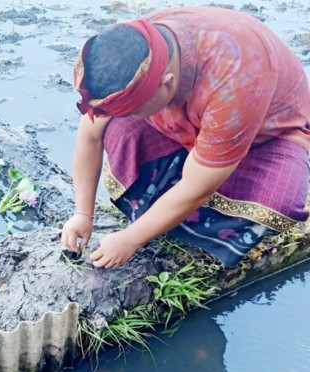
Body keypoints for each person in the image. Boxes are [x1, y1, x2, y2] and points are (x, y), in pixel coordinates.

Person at [60, 6, 310, 268]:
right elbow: (90, 136)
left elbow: (195, 189)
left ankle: (172, 215)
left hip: (264, 136)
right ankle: (166, 211)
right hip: (190, 123)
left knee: (278, 201)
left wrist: (131, 239)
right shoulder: (136, 48)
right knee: (119, 129)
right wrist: (82, 213)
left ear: (167, 83)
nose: (131, 114)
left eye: (135, 109)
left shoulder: (235, 84)